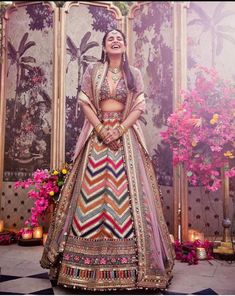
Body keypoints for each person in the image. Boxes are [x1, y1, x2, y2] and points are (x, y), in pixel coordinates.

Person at [40, 29, 174, 291]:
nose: (115, 41)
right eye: (110, 38)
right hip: (98, 136)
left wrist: (120, 129)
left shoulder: (133, 73)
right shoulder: (94, 71)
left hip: (125, 137)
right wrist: (101, 130)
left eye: (119, 39)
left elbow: (139, 106)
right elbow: (85, 102)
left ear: (125, 46)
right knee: (90, 196)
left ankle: (134, 269)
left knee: (125, 196)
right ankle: (78, 266)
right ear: (104, 46)